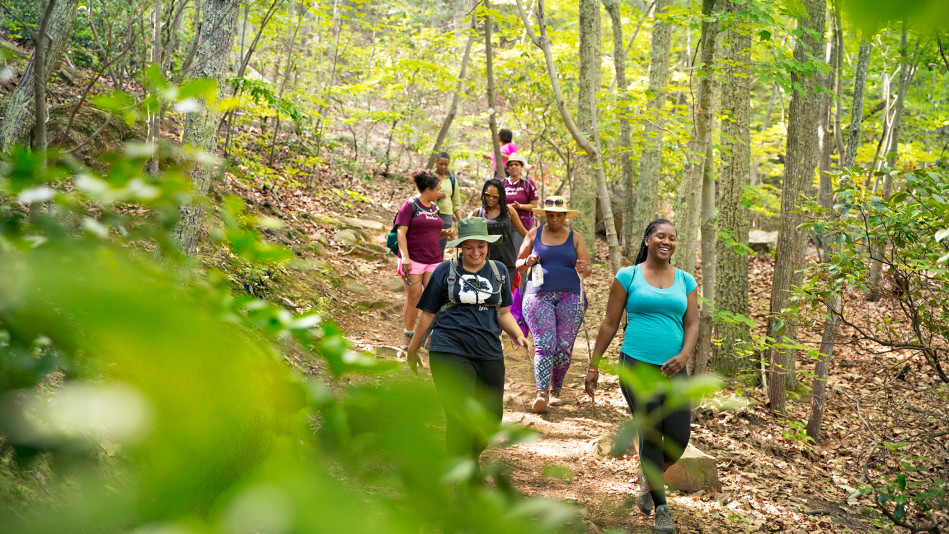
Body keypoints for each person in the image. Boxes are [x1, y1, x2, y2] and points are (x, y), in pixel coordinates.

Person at [584, 218, 698, 534]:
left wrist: (685, 355)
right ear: (647, 239)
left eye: (672, 238)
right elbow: (609, 322)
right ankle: (662, 508)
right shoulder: (628, 276)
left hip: (674, 368)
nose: (667, 241)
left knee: (678, 437)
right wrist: (594, 365)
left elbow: (692, 324)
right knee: (650, 433)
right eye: (661, 236)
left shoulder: (685, 280)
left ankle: (649, 476)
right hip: (636, 364)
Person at [407, 217, 532, 459]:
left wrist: (519, 335)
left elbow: (504, 313)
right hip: (448, 348)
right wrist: (413, 350)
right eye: (469, 247)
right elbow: (427, 315)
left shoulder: (498, 272)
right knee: (459, 414)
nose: (475, 252)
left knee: (491, 419)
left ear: (488, 245)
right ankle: (460, 471)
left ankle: (468, 459)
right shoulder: (445, 271)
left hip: (488, 351)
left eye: (480, 246)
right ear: (460, 247)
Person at [515, 195, 592, 413]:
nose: (555, 219)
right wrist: (526, 261)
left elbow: (587, 270)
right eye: (551, 215)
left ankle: (556, 389)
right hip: (538, 296)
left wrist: (582, 266)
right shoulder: (534, 234)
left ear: (565, 216)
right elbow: (518, 264)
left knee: (564, 346)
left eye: (559, 215)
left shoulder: (575, 237)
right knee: (545, 344)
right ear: (545, 215)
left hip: (571, 295)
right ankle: (542, 393)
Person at [395, 170, 456, 348]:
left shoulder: (434, 207)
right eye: (437, 189)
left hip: (433, 258)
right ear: (428, 189)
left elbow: (432, 233)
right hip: (412, 259)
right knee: (414, 297)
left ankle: (428, 336)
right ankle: (408, 334)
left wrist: (446, 232)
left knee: (434, 297)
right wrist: (405, 256)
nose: (439, 193)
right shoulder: (410, 205)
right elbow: (401, 231)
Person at [468, 179, 527, 278]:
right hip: (485, 262)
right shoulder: (477, 213)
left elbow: (523, 232)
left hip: (507, 261)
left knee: (506, 292)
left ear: (500, 197)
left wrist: (538, 244)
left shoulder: (509, 211)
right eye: (487, 195)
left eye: (495, 196)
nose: (490, 198)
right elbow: (468, 238)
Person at [503, 153, 538, 256]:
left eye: (517, 164)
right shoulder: (502, 183)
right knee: (506, 255)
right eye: (511, 164)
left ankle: (521, 272)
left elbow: (534, 205)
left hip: (523, 225)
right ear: (508, 167)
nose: (514, 167)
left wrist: (520, 206)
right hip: (505, 225)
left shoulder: (528, 183)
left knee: (519, 255)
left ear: (521, 167)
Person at [433, 151, 462, 258]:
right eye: (441, 163)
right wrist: (436, 195)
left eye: (446, 164)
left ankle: (437, 270)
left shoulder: (452, 180)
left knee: (440, 247)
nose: (443, 167)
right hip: (429, 214)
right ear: (436, 162)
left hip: (446, 216)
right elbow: (420, 196)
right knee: (428, 243)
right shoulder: (429, 176)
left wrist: (461, 221)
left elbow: (456, 203)